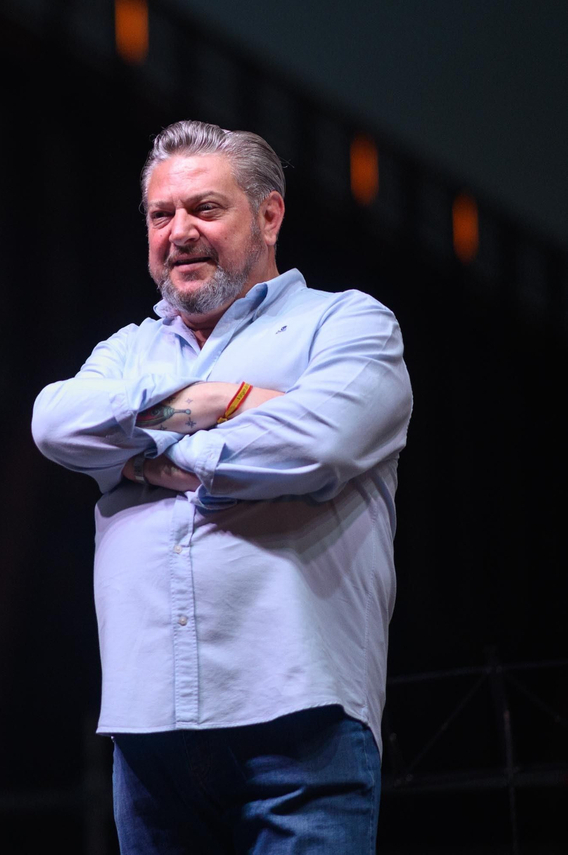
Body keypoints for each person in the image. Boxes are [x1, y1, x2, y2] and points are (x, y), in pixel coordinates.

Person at [30, 120, 413, 854]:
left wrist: (145, 454)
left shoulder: (347, 323)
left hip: (301, 716)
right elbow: (55, 423)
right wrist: (228, 400)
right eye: (160, 214)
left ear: (269, 215)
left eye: (205, 209)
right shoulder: (128, 346)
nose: (180, 232)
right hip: (148, 730)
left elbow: (320, 441)